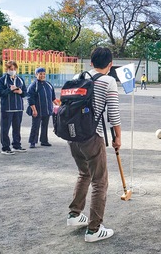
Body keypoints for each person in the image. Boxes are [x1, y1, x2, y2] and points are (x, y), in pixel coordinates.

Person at [66, 47, 121, 243]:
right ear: (110, 64)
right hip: (93, 136)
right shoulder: (108, 81)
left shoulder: (78, 75)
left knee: (84, 173)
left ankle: (74, 215)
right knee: (100, 181)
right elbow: (113, 113)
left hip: (73, 135)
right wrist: (117, 138)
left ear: (90, 62)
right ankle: (94, 229)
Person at [0, 60, 27, 155]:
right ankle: (5, 147)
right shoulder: (2, 80)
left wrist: (21, 92)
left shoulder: (20, 79)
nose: (13, 70)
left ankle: (16, 145)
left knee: (17, 128)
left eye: (14, 69)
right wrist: (10, 90)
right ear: (7, 69)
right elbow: (0, 93)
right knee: (5, 128)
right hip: (7, 108)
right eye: (11, 69)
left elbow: (25, 93)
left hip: (18, 108)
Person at [26, 67, 59, 148]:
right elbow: (30, 99)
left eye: (44, 74)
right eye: (40, 74)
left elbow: (53, 98)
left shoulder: (49, 85)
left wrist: (59, 106)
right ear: (36, 74)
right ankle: (32, 142)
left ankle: (44, 141)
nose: (42, 75)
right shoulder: (33, 86)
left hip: (47, 110)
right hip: (37, 110)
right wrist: (34, 110)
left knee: (45, 125)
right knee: (35, 126)